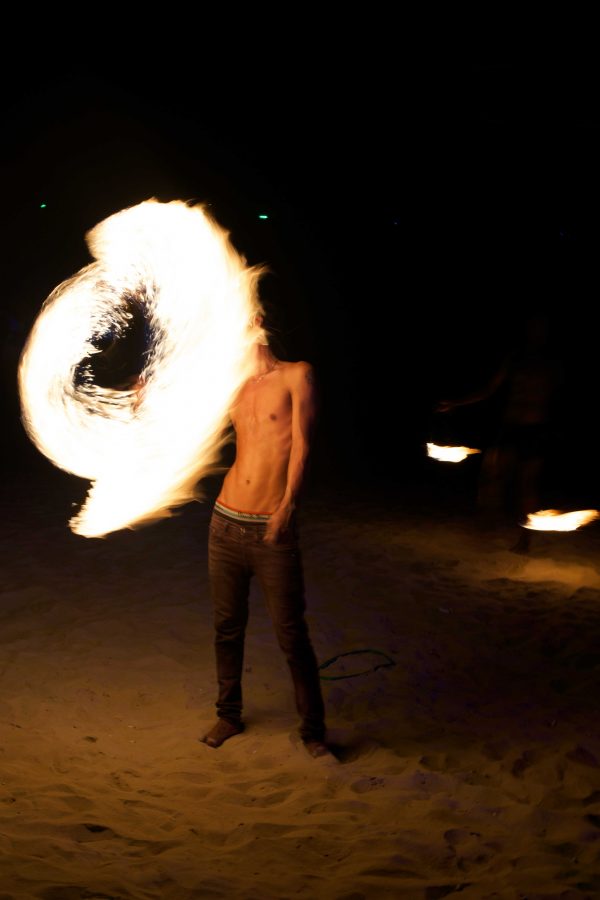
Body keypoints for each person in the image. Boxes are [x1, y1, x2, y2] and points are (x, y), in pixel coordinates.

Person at [200, 315, 330, 758]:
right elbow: (188, 423)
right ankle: (228, 714)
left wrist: (288, 506)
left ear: (255, 319)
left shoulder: (297, 374)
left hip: (270, 528)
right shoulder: (231, 385)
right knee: (226, 627)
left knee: (291, 634)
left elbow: (303, 446)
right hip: (224, 523)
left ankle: (314, 732)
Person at [437, 312, 564, 552]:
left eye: (540, 328)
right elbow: (489, 390)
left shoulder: (551, 364)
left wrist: (556, 430)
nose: (535, 333)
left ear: (546, 333)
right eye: (532, 327)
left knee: (526, 486)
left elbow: (559, 400)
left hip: (535, 430)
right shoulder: (515, 358)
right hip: (511, 428)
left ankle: (524, 540)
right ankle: (487, 523)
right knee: (491, 473)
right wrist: (457, 403)